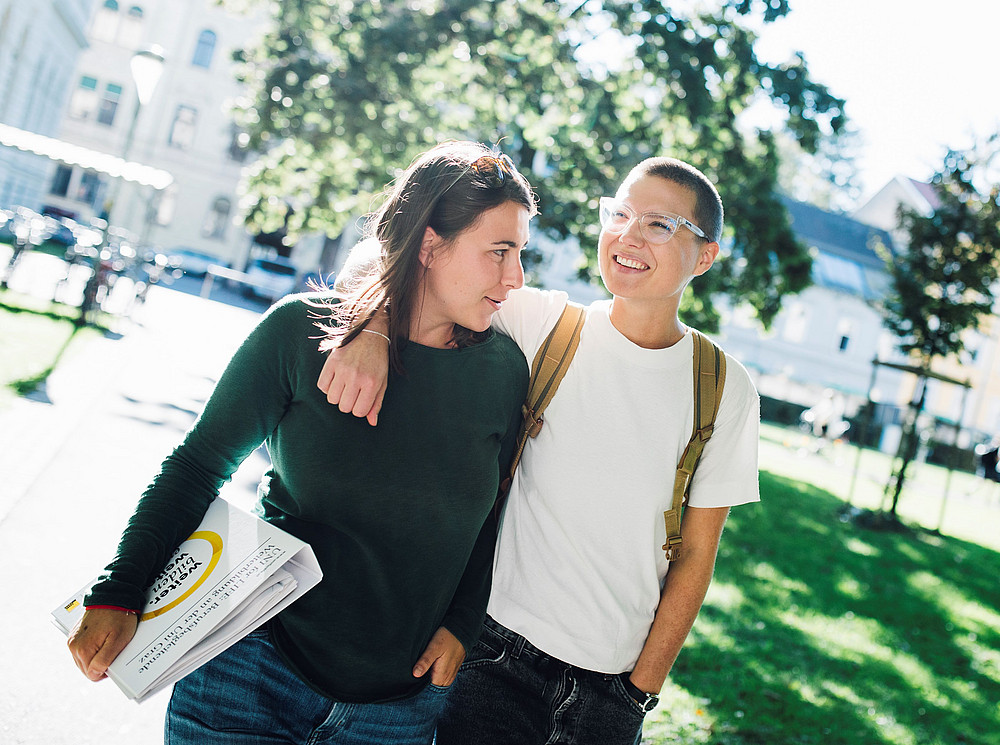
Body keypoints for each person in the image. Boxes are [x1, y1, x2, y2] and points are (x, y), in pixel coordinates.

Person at [66, 141, 534, 745]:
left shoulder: (503, 372)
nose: (515, 278)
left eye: (520, 254)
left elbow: (488, 513)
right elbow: (197, 467)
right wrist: (120, 589)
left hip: (396, 713)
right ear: (428, 244)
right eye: (499, 252)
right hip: (249, 675)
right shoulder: (299, 333)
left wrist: (463, 622)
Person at [317, 156, 761, 744]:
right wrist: (372, 329)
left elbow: (696, 557)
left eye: (658, 225)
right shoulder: (543, 324)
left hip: (609, 694)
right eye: (620, 213)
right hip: (488, 659)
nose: (627, 236)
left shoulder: (723, 388)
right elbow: (382, 259)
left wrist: (636, 693)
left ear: (705, 256)